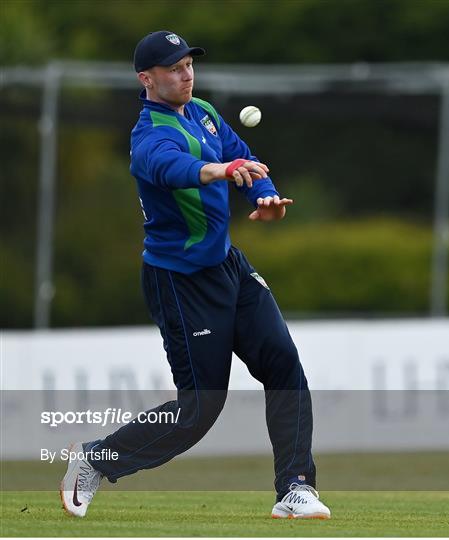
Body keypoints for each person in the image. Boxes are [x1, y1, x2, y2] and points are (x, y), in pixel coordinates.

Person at [60, 30, 331, 521]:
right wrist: (221, 170)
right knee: (199, 411)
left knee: (284, 364)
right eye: (174, 68)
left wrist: (264, 195)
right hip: (179, 280)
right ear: (147, 79)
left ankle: (295, 487)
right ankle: (94, 459)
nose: (186, 74)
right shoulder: (148, 136)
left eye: (189, 65)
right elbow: (177, 168)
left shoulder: (203, 112)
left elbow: (245, 156)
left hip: (228, 265)